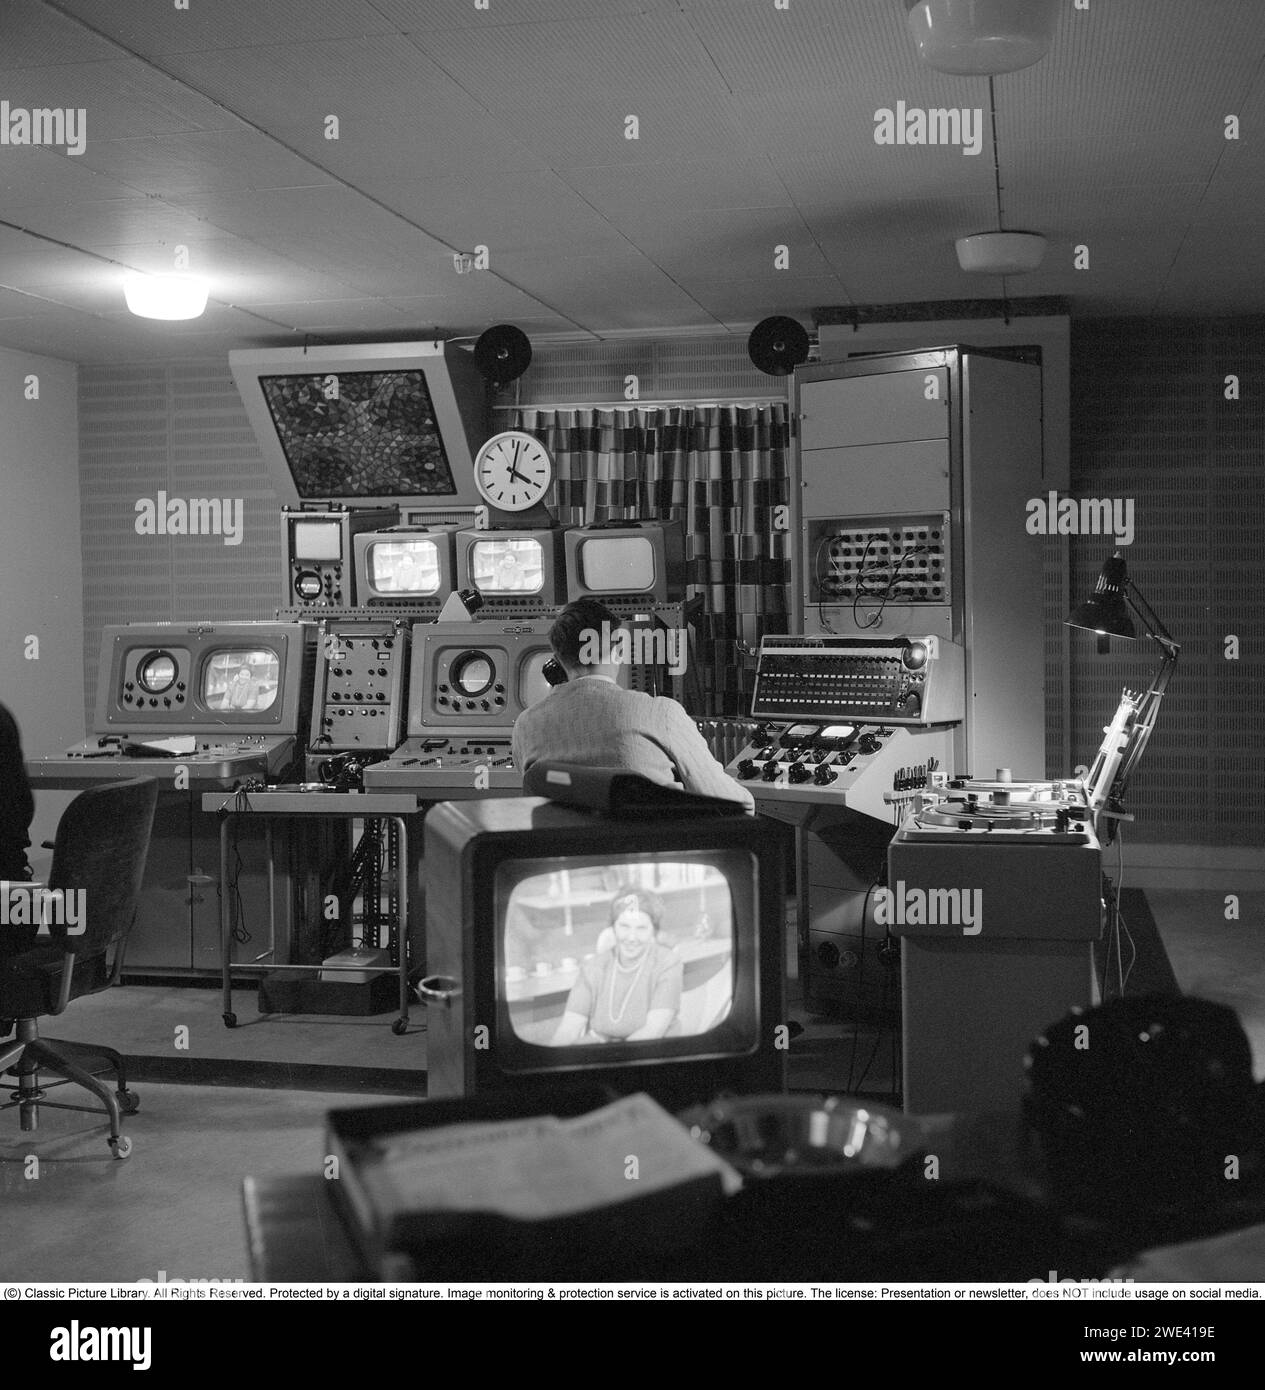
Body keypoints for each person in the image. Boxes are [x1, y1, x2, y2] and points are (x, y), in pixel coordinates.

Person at [512, 598, 755, 813]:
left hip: (568, 850)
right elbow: (731, 803)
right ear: (618, 648)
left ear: (557, 659)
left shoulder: (525, 725)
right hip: (651, 849)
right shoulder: (661, 713)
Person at [552, 888, 681, 1044]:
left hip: (651, 1050)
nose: (631, 937)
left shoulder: (668, 962)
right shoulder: (592, 967)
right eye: (624, 926)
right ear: (613, 928)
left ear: (654, 931)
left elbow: (653, 1030)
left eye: (641, 928)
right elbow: (569, 1028)